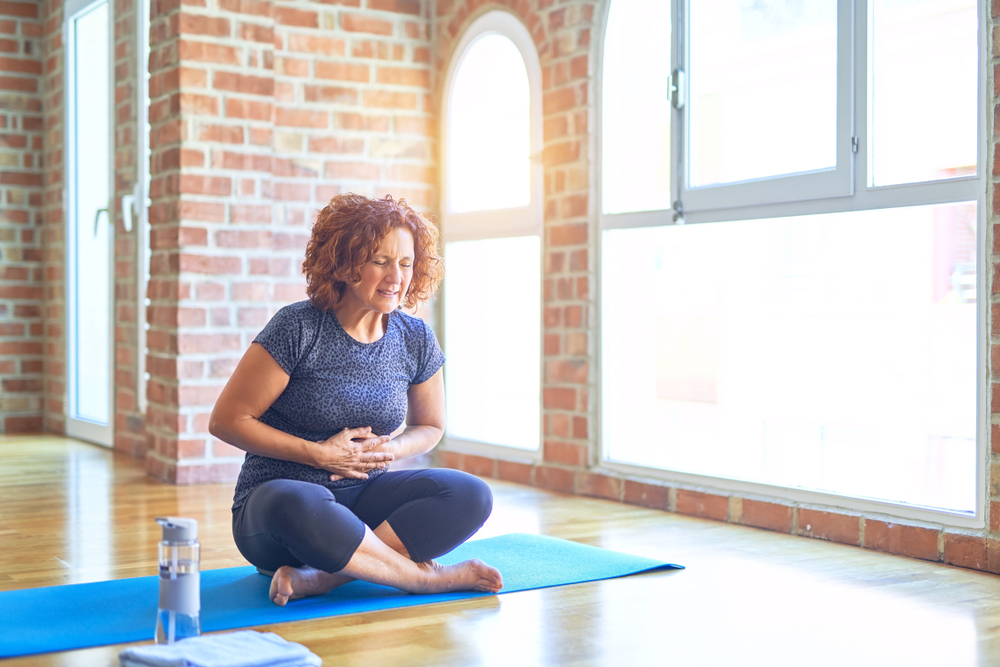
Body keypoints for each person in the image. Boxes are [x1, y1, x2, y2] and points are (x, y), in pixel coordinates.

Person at [209, 193, 502, 606]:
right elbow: (226, 420)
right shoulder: (298, 327)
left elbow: (431, 426)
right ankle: (422, 580)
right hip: (284, 511)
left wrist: (391, 448)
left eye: (405, 263)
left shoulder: (414, 338)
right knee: (296, 498)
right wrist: (318, 455)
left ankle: (323, 579)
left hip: (364, 498)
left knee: (470, 494)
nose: (395, 277)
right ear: (345, 263)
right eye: (380, 261)